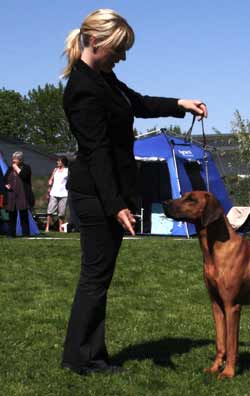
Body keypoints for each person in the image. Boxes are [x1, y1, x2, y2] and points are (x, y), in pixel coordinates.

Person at [60, 9, 208, 375]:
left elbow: (138, 103)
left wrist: (179, 104)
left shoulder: (105, 79)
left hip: (105, 193)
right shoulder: (82, 89)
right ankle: (81, 358)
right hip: (96, 196)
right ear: (95, 41)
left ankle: (91, 353)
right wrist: (116, 207)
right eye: (118, 49)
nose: (122, 57)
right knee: (94, 279)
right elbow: (96, 154)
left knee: (99, 278)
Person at [4, 151, 35, 237]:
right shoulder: (10, 169)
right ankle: (11, 234)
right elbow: (5, 179)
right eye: (13, 158)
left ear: (20, 160)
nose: (13, 160)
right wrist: (6, 185)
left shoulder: (26, 168)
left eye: (16, 159)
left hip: (22, 194)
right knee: (11, 216)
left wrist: (16, 168)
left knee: (23, 215)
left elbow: (24, 176)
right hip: (11, 195)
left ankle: (26, 234)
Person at [45, 156, 69, 232]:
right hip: (54, 193)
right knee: (50, 211)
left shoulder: (67, 171)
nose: (57, 162)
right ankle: (47, 227)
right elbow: (51, 180)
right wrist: (49, 189)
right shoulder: (55, 170)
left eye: (59, 161)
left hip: (64, 194)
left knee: (61, 213)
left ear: (63, 162)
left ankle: (60, 228)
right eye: (57, 161)